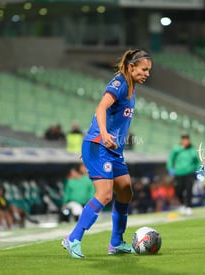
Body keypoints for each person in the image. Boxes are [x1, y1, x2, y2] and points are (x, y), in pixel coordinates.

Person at [61, 48, 152, 259]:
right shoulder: (119, 84)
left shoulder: (131, 88)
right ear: (131, 67)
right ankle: (73, 238)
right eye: (144, 69)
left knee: (125, 191)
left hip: (113, 150)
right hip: (98, 145)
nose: (147, 74)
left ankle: (116, 243)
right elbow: (101, 108)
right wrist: (103, 133)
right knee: (105, 194)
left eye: (149, 70)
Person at [167, 134, 200, 216]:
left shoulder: (192, 150)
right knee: (178, 191)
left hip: (189, 173)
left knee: (189, 190)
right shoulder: (176, 150)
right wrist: (170, 168)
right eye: (184, 140)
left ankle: (189, 207)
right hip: (178, 173)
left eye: (187, 140)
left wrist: (198, 169)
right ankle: (182, 205)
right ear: (181, 141)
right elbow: (170, 159)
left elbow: (197, 161)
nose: (185, 142)